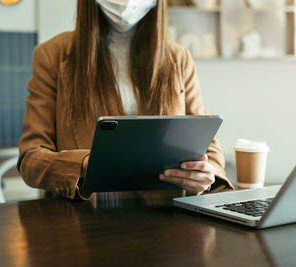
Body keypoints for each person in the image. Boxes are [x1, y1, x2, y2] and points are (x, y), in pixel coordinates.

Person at [17, 0, 233, 200]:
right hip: (82, 225)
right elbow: (31, 158)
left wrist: (207, 174)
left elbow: (206, 142)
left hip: (165, 225)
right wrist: (84, 165)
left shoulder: (178, 59)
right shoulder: (52, 55)